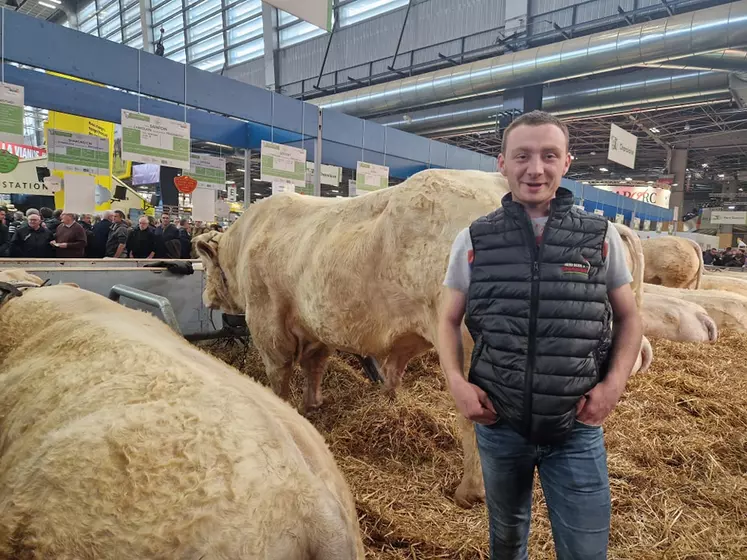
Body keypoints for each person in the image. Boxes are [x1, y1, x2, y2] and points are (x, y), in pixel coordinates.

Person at [438, 110, 642, 560]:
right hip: (500, 423)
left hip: (576, 426)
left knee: (586, 548)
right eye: (522, 156)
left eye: (549, 155)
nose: (536, 168)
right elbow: (447, 319)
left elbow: (630, 317)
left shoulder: (599, 236)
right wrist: (456, 383)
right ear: (502, 163)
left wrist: (613, 385)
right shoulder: (474, 239)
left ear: (566, 162)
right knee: (507, 538)